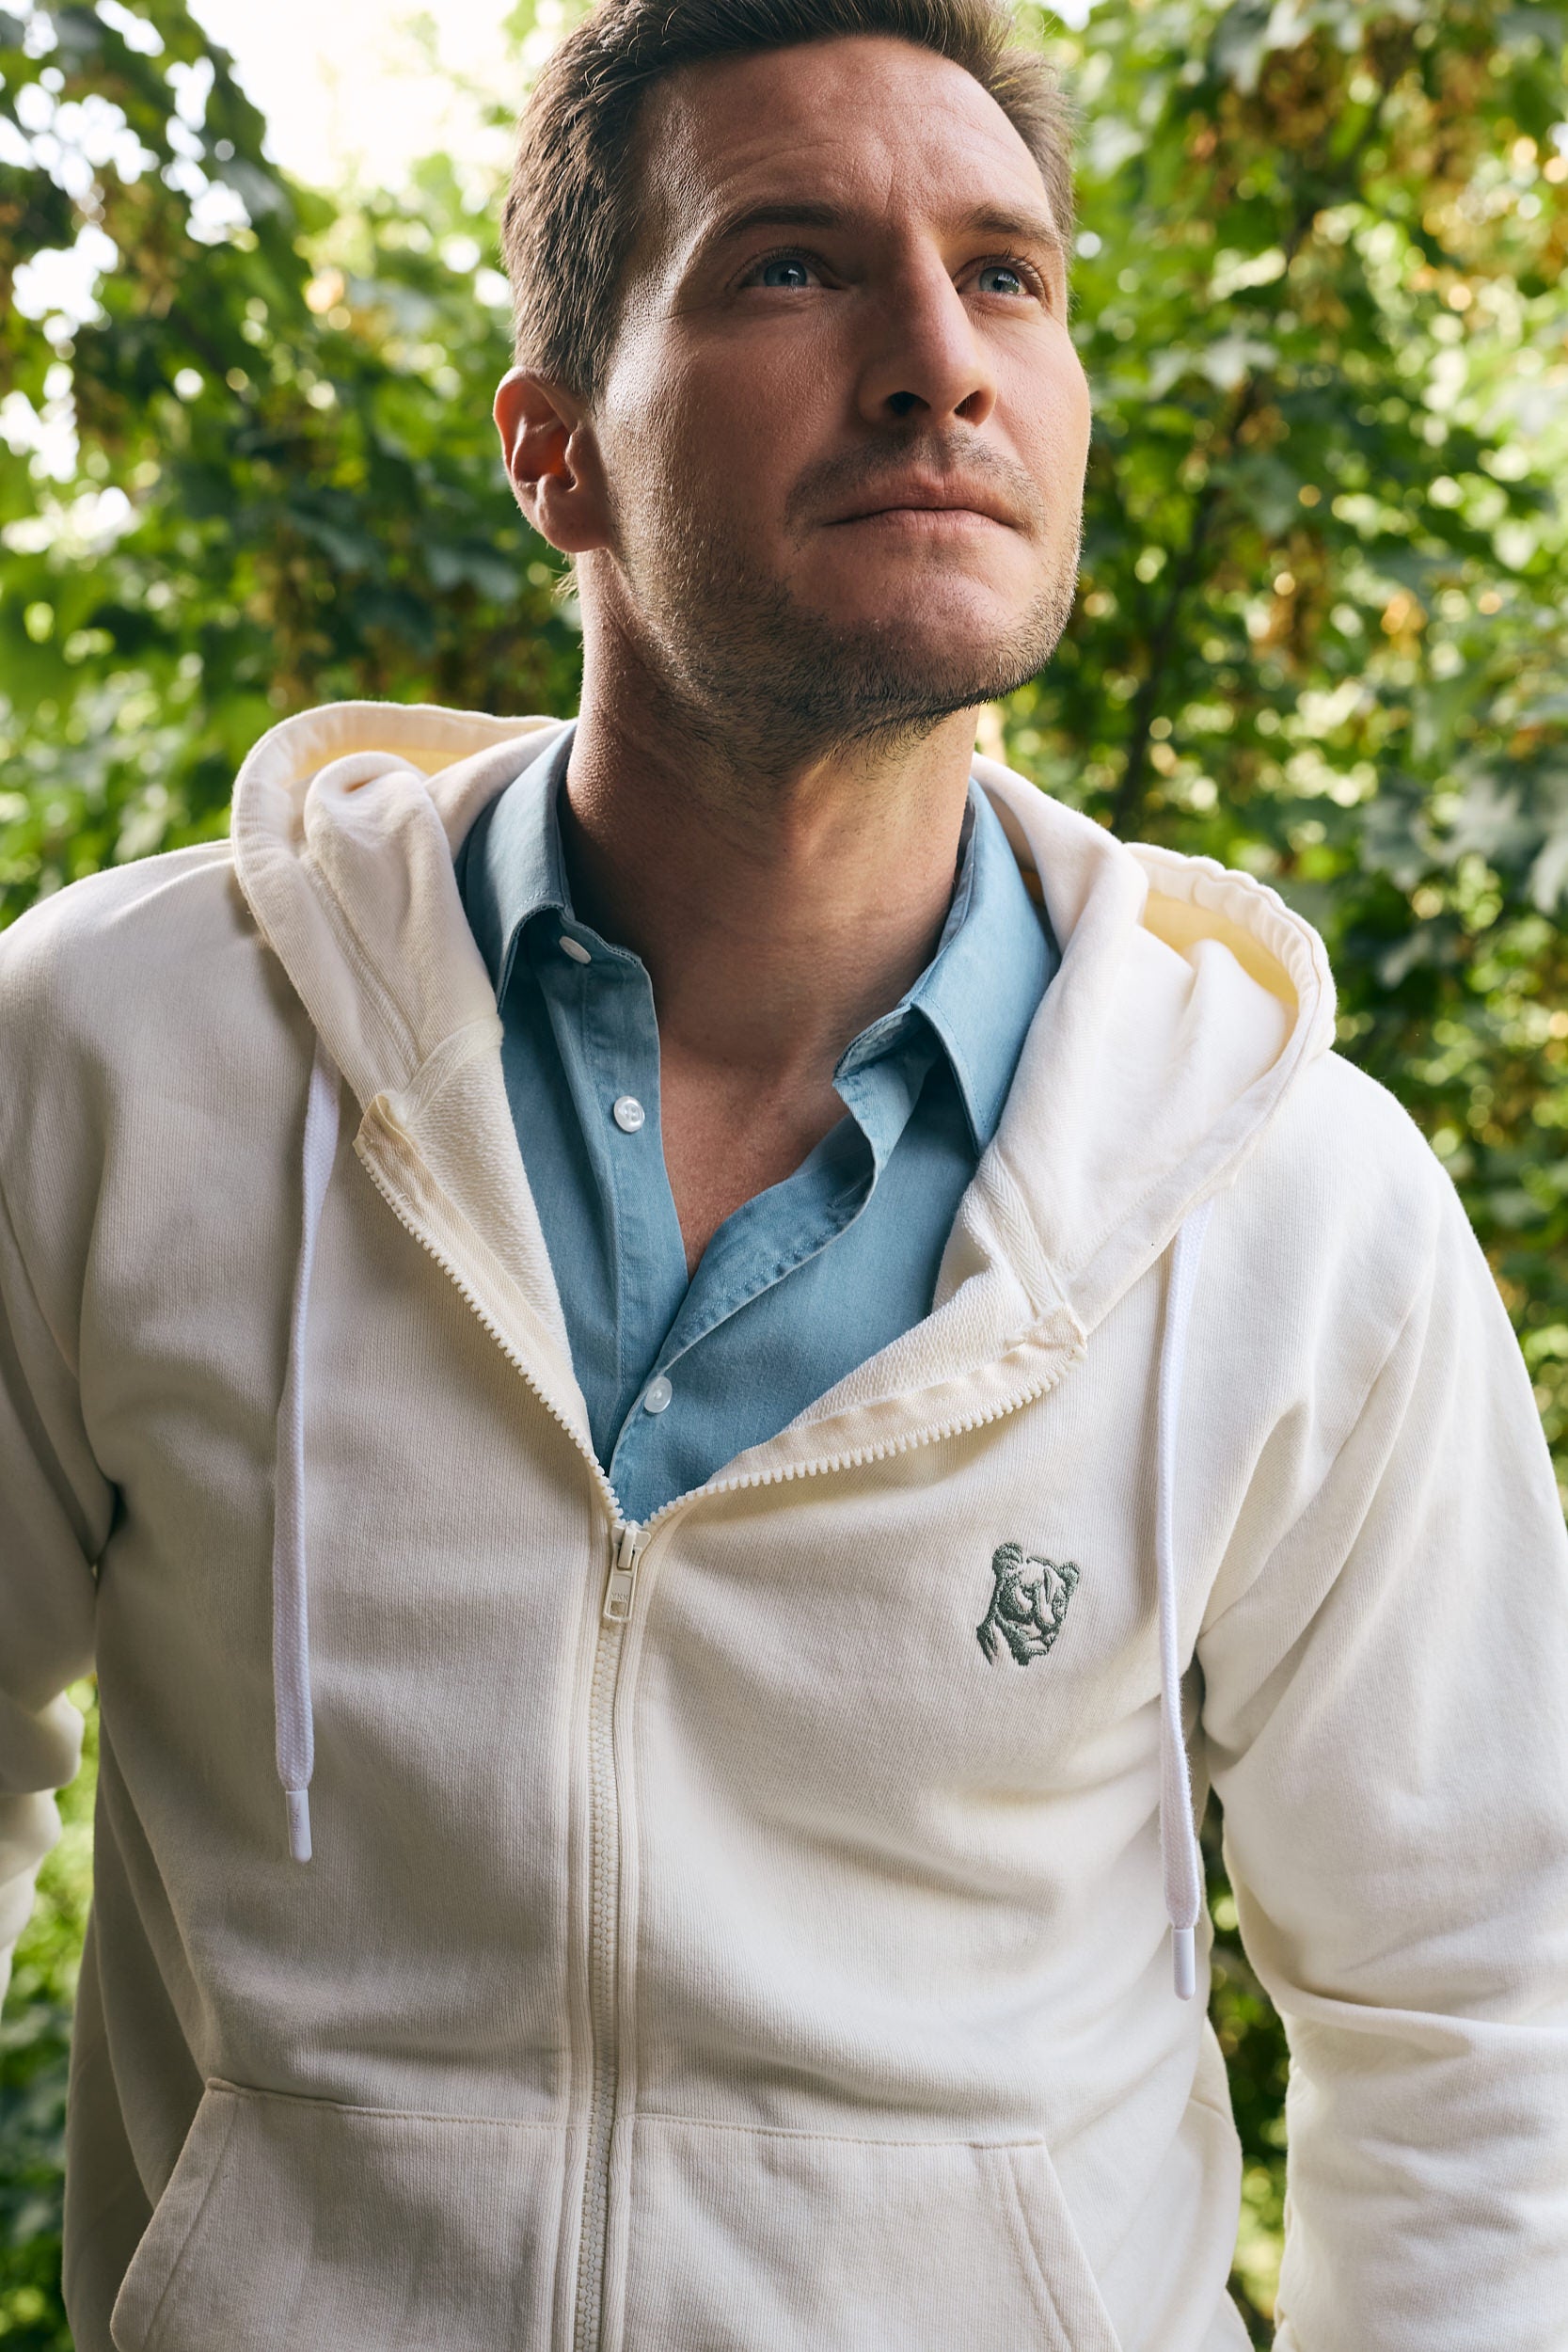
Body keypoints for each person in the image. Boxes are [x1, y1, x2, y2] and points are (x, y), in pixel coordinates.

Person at [2, 0, 1565, 2344]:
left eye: (1008, 273)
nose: (942, 361)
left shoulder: (1290, 1194)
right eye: (795, 266)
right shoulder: (122, 1058)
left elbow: (1483, 2014)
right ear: (556, 453)